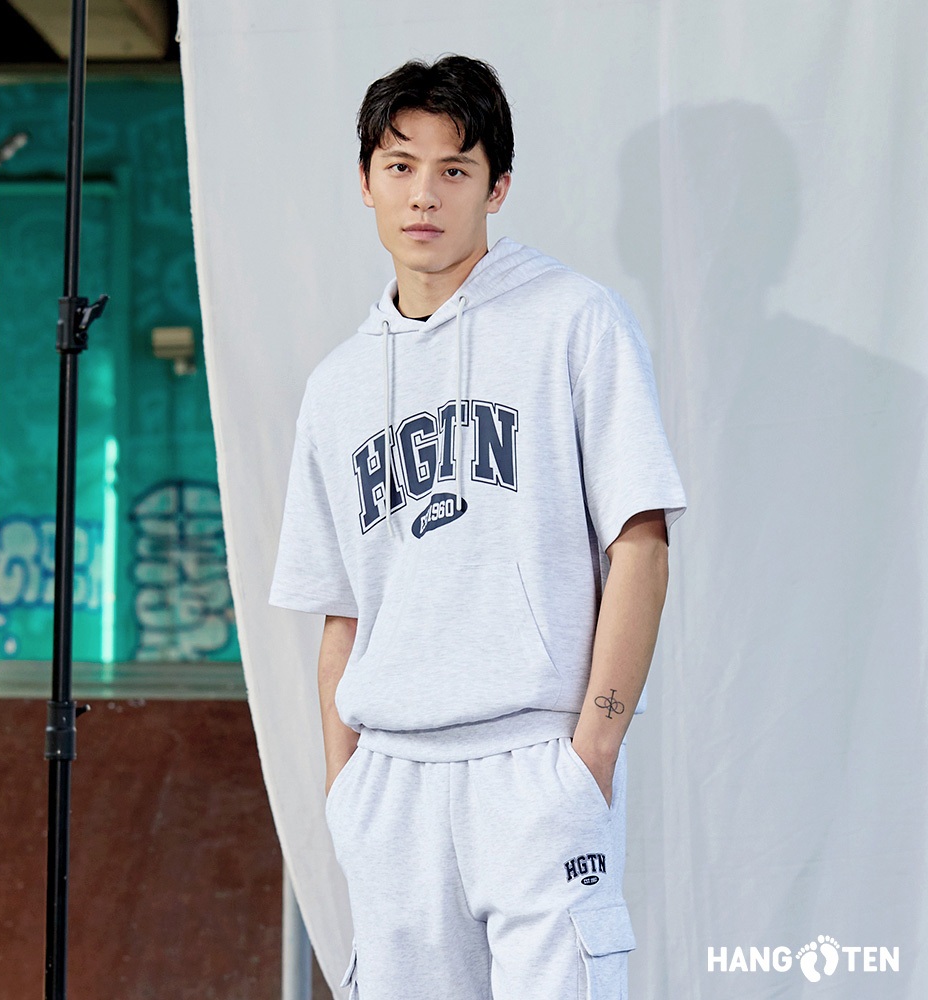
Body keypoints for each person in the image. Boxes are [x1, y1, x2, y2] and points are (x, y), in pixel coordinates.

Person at [268, 53, 686, 1000]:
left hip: (534, 764)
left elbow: (642, 546)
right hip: (390, 784)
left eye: (454, 169)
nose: (425, 194)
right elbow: (341, 614)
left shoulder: (575, 321)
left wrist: (591, 754)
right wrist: (345, 791)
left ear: (496, 187)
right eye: (400, 165)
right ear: (366, 182)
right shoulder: (337, 387)